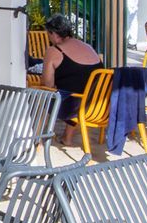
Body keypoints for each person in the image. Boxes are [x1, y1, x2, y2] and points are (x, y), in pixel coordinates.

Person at [41, 13, 103, 146]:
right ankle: (67, 137)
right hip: (97, 104)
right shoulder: (88, 47)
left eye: (48, 34)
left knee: (40, 94)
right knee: (77, 90)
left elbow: (47, 84)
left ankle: (37, 137)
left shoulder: (54, 51)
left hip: (73, 108)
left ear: (54, 34)